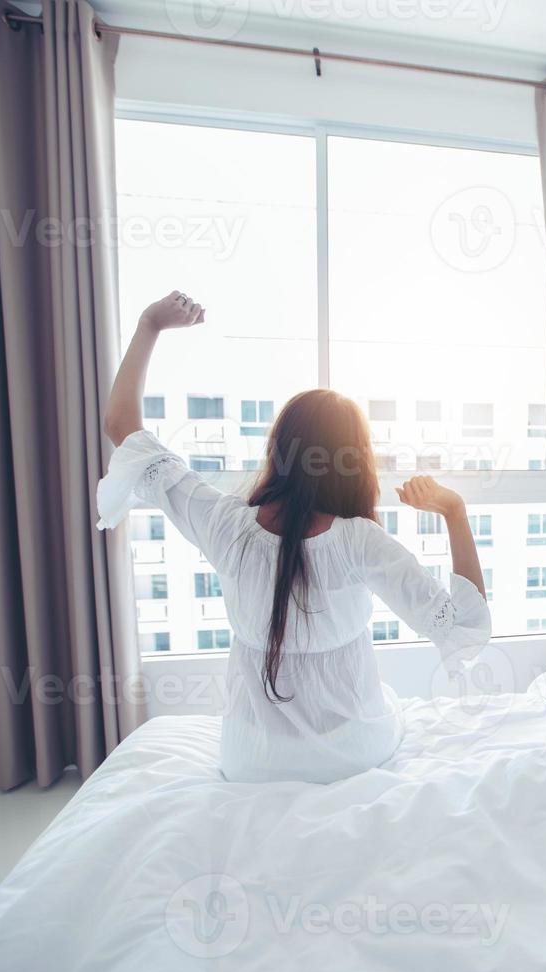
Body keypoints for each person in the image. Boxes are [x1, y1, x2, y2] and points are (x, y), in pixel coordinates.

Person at [97, 291, 491, 783]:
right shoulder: (358, 541)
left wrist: (149, 325)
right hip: (353, 753)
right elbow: (466, 630)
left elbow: (121, 426)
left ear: (279, 448)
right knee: (387, 704)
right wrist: (453, 510)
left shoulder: (224, 523)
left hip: (251, 760)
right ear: (355, 460)